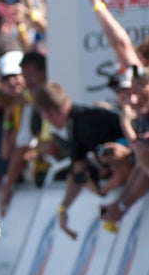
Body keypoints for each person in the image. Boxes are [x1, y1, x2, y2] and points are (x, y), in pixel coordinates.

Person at [29, 81, 124, 239]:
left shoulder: (86, 124)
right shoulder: (78, 121)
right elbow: (77, 170)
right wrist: (63, 209)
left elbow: (123, 164)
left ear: (48, 113)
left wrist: (102, 190)